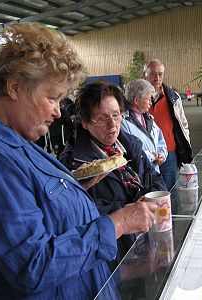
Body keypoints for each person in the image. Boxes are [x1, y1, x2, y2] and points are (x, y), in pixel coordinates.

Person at [0, 23, 157, 299]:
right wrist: (118, 224)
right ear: (15, 87)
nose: (58, 112)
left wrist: (75, 186)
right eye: (52, 98)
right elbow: (32, 265)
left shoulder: (18, 141)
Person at [59, 80, 167, 266]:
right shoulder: (74, 165)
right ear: (84, 122)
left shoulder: (130, 145)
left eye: (116, 115)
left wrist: (149, 199)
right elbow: (82, 214)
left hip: (147, 241)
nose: (112, 125)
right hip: (115, 260)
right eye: (102, 119)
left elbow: (155, 177)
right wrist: (128, 211)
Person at [144, 59, 193, 190]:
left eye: (160, 74)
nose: (157, 78)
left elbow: (183, 124)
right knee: (148, 193)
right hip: (145, 154)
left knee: (170, 193)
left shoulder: (173, 98)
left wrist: (185, 146)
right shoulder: (136, 99)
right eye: (152, 74)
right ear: (145, 75)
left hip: (169, 154)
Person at [121, 78, 168, 174]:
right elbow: (128, 153)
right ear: (136, 100)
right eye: (148, 99)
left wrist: (161, 154)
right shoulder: (123, 122)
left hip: (154, 174)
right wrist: (152, 156)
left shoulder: (149, 118)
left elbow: (160, 140)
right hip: (139, 175)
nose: (151, 103)